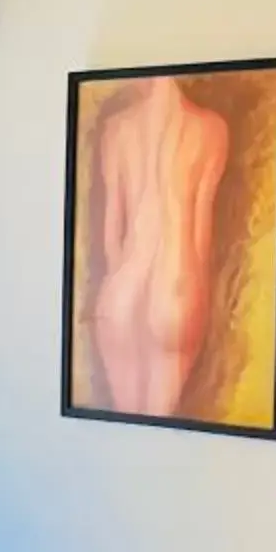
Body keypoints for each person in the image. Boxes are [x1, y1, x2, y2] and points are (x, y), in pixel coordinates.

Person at [87, 75, 230, 418]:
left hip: (120, 289)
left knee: (124, 426)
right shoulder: (210, 130)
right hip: (176, 286)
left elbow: (111, 236)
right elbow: (199, 238)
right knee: (160, 425)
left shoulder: (116, 130)